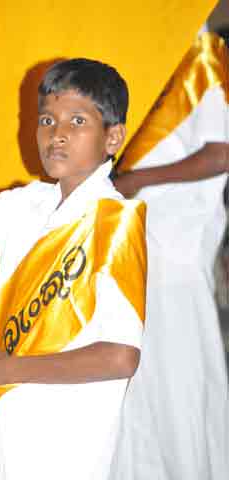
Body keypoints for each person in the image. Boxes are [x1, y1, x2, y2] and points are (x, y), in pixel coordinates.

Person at [0, 59, 147, 480]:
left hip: (62, 442)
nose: (57, 133)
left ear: (113, 137)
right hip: (2, 423)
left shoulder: (115, 221)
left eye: (78, 120)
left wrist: (9, 370)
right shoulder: (26, 204)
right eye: (46, 119)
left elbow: (119, 356)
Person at [113, 32, 229, 479]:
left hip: (176, 249)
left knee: (177, 381)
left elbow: (220, 153)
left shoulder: (202, 53)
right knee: (140, 379)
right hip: (138, 242)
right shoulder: (147, 52)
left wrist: (133, 181)